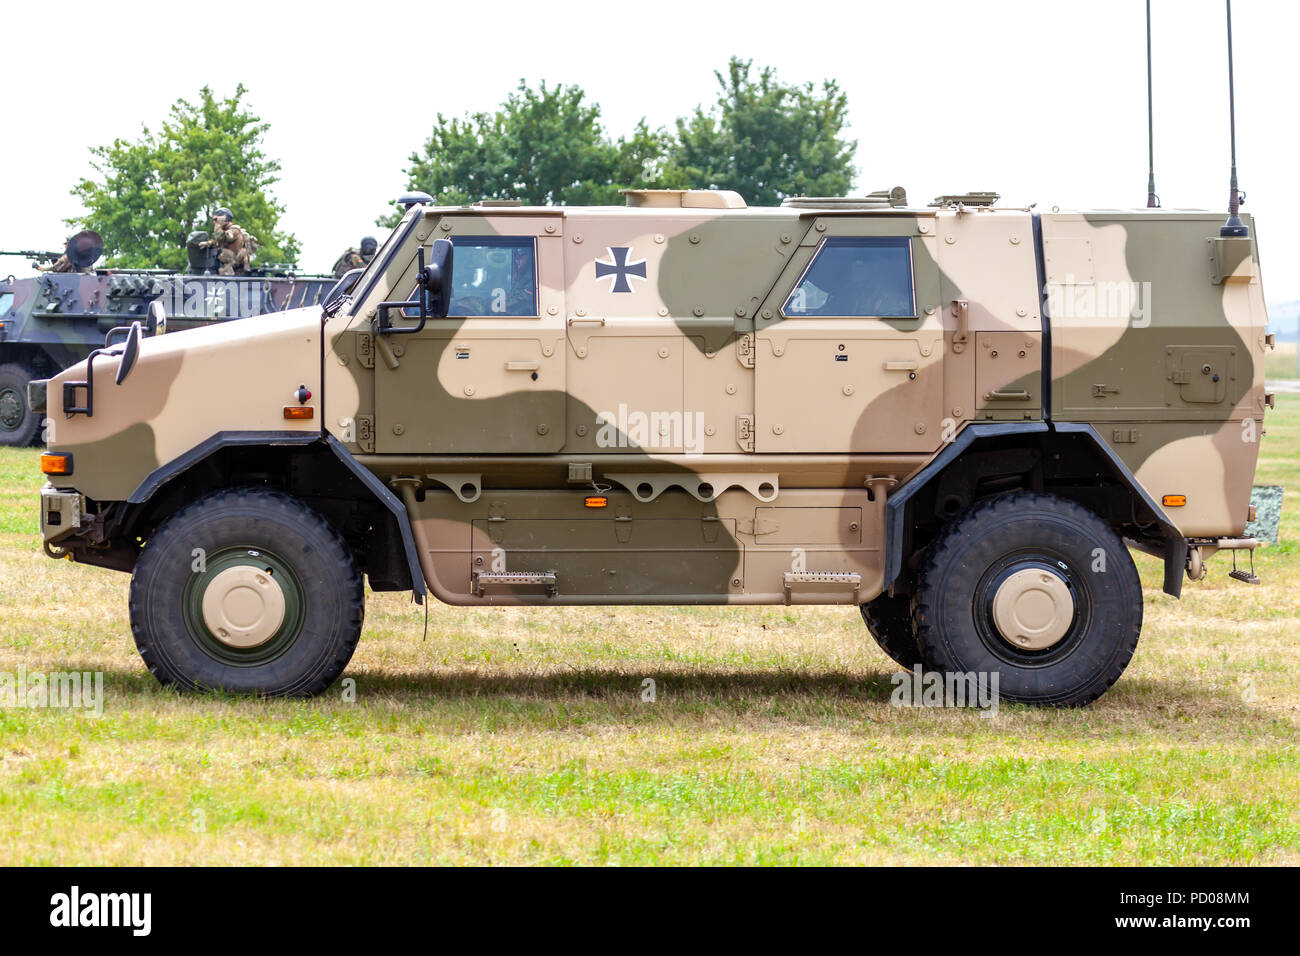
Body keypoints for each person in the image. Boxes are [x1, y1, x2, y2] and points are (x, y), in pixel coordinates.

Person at [199, 208, 254, 276]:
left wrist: (218, 227)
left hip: (235, 267)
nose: (215, 222)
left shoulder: (235, 230)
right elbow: (218, 242)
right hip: (227, 265)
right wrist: (208, 243)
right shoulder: (224, 231)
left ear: (225, 219)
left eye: (216, 219)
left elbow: (225, 238)